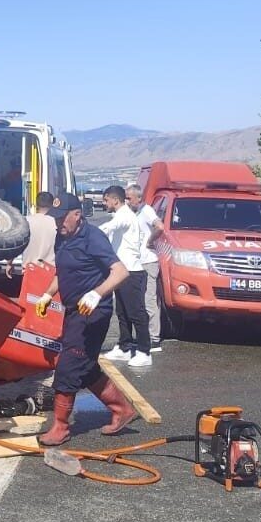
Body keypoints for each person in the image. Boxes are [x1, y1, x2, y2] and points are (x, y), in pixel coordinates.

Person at [32, 193, 137, 446]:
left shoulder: (93, 238)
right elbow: (63, 271)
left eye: (62, 218)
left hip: (93, 312)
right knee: (85, 365)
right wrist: (48, 294)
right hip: (73, 310)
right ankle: (122, 409)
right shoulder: (62, 237)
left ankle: (60, 427)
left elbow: (121, 272)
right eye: (55, 219)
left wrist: (96, 293)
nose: (58, 224)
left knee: (68, 365)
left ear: (77, 215)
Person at [97, 185, 152, 367]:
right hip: (121, 272)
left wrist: (95, 233)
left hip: (132, 273)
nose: (105, 203)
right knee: (122, 312)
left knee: (136, 312)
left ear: (115, 200)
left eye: (106, 200)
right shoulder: (121, 215)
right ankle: (124, 347)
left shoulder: (125, 216)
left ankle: (144, 351)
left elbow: (112, 226)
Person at [126, 183, 165, 351]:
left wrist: (150, 241)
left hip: (148, 261)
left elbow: (160, 226)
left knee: (149, 299)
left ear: (138, 198)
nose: (127, 201)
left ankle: (154, 336)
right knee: (138, 300)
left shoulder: (147, 211)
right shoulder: (135, 213)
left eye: (129, 198)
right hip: (138, 262)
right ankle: (144, 335)